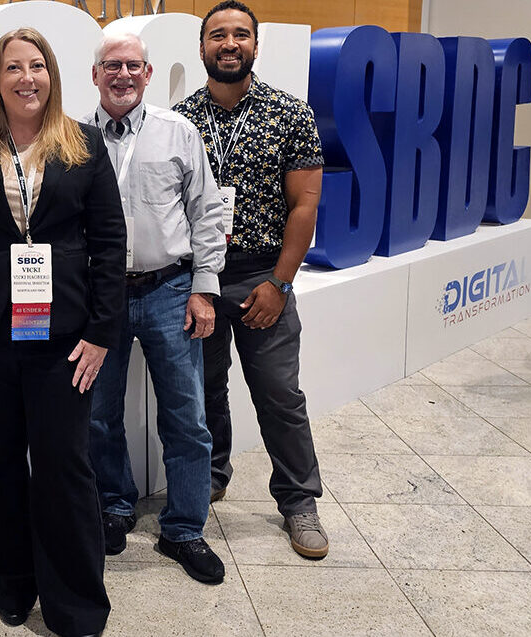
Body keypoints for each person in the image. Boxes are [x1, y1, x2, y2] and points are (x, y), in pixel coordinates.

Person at [0, 27, 125, 637]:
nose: (26, 78)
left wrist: (101, 332)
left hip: (64, 339)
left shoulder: (83, 144)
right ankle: (9, 585)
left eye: (37, 66)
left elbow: (111, 244)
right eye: (14, 68)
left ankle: (76, 605)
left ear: (53, 76)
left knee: (65, 467)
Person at [172, 0, 329, 559]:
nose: (229, 44)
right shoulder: (180, 117)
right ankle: (212, 474)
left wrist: (280, 282)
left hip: (265, 273)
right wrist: (195, 282)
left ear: (256, 47)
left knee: (279, 394)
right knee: (204, 389)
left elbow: (305, 203)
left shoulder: (289, 113)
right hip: (200, 279)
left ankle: (299, 502)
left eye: (241, 34)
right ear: (202, 48)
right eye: (218, 35)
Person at [81, 34, 227, 584]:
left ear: (148, 73)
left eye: (132, 66)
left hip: (170, 288)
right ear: (94, 75)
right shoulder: (72, 137)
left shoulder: (178, 131)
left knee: (186, 416)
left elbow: (207, 211)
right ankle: (115, 506)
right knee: (98, 414)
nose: (122, 75)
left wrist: (204, 287)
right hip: (100, 297)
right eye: (111, 66)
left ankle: (185, 528)